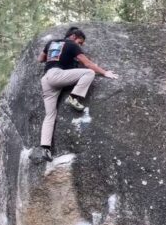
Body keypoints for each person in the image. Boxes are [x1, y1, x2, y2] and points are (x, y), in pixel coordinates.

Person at [36, 27, 118, 162]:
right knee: (89, 72)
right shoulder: (72, 44)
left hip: (46, 80)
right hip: (58, 75)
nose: (80, 45)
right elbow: (87, 63)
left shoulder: (51, 43)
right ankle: (74, 97)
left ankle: (45, 148)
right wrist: (104, 72)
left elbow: (40, 59)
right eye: (80, 42)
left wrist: (56, 58)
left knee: (50, 115)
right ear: (73, 37)